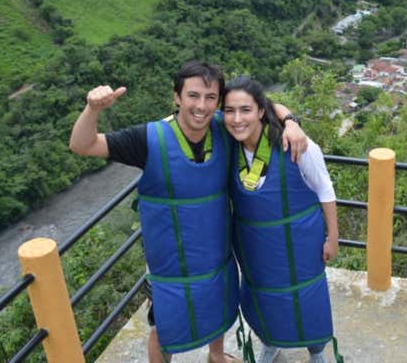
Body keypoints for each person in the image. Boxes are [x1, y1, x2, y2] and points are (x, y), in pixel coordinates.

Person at [69, 61, 308, 363]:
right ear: (177, 98)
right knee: (163, 324)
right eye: (193, 96)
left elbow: (263, 103)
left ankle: (216, 356)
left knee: (217, 306)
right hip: (169, 260)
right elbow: (82, 145)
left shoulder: (224, 127)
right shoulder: (148, 139)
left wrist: (291, 121)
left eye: (211, 98)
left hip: (215, 251)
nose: (201, 106)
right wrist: (93, 110)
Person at [221, 76, 340, 363]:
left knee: (305, 296)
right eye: (230, 111)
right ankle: (271, 342)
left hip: (300, 241)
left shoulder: (296, 145)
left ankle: (316, 351)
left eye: (246, 110)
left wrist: (333, 237)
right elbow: (194, 115)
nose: (237, 119)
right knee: (264, 298)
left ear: (261, 111)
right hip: (256, 246)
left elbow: (325, 188)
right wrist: (289, 116)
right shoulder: (227, 142)